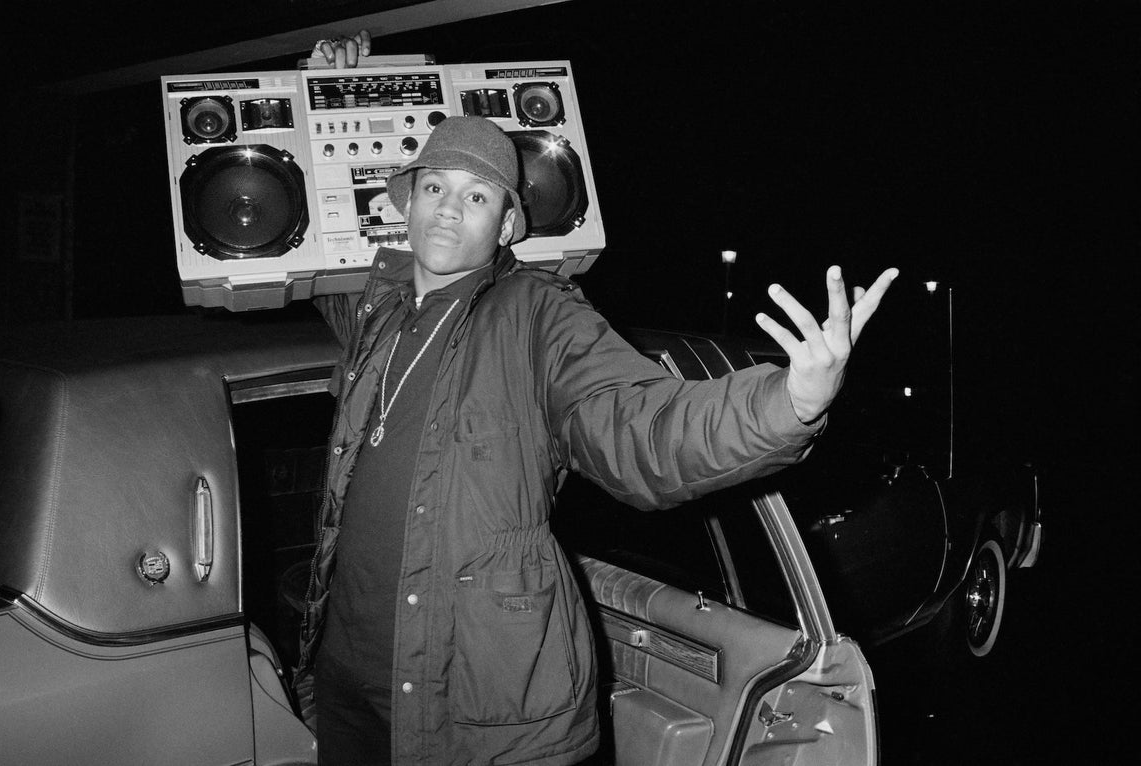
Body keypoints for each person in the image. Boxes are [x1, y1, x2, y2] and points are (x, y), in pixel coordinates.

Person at [297, 32, 898, 766]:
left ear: (509, 224)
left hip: (482, 710)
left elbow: (642, 426)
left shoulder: (537, 316)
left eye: (477, 196)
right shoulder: (378, 310)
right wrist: (334, 82)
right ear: (408, 203)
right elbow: (299, 253)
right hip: (350, 684)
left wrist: (786, 402)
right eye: (434, 188)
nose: (449, 211)